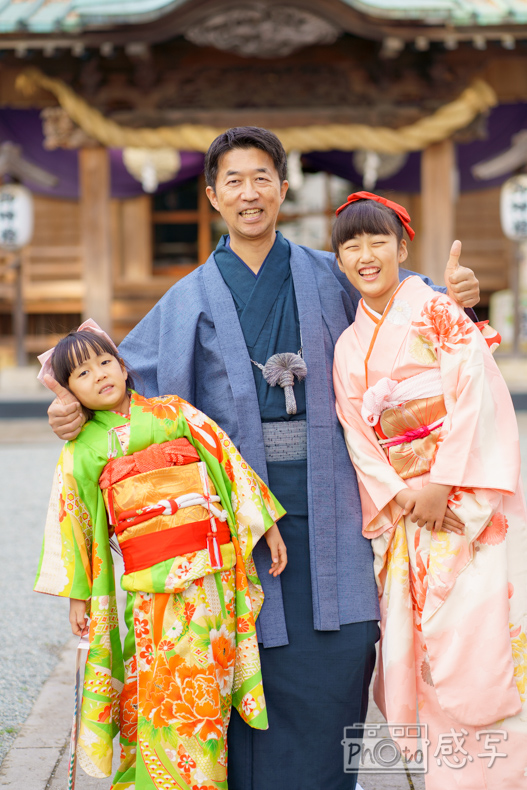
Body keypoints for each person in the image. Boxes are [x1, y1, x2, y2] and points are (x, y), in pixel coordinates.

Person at [47, 128, 481, 790]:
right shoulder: (190, 296)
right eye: (233, 181)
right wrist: (68, 404)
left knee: (343, 653)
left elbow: (407, 304)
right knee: (242, 662)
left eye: (261, 179)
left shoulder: (330, 273)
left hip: (338, 503)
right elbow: (111, 376)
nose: (248, 193)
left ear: (282, 188)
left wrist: (454, 298)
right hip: (233, 519)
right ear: (212, 195)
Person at [35, 320, 287, 789]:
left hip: (209, 577)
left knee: (206, 686)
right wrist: (79, 595)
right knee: (158, 687)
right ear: (69, 392)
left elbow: (225, 460)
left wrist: (266, 524)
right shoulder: (82, 450)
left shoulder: (173, 412)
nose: (99, 375)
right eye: (83, 374)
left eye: (105, 362)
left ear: (123, 366)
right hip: (150, 586)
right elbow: (76, 521)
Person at [332, 192, 527, 789]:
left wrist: (442, 483)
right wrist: (401, 496)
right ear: (339, 260)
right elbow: (357, 433)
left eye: (378, 241)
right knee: (420, 653)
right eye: (352, 245)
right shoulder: (347, 346)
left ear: (402, 248)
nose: (366, 255)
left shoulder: (438, 311)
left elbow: (477, 394)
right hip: (408, 518)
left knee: (478, 639)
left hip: (463, 503)